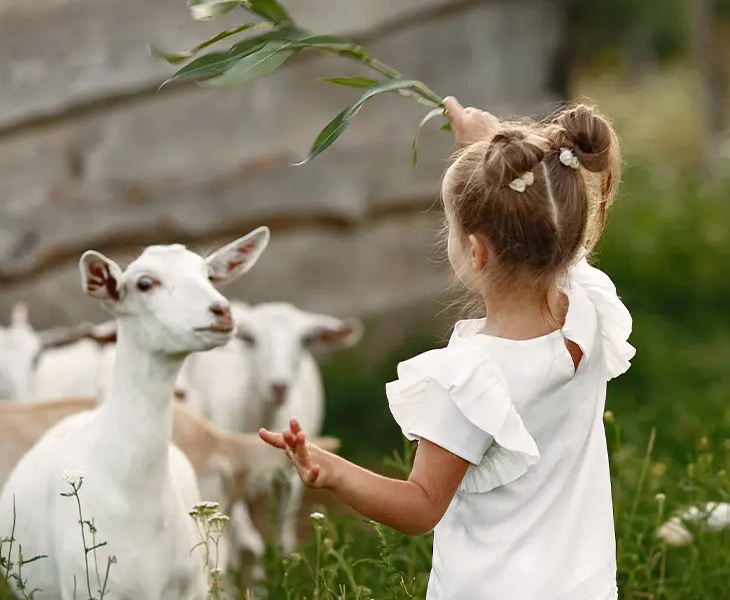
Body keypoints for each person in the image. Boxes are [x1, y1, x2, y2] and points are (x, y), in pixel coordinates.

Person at [259, 96, 635, 600]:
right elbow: (547, 222)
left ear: (475, 251)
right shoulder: (587, 307)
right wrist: (490, 148)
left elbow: (419, 505)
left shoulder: (472, 379)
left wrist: (332, 472)